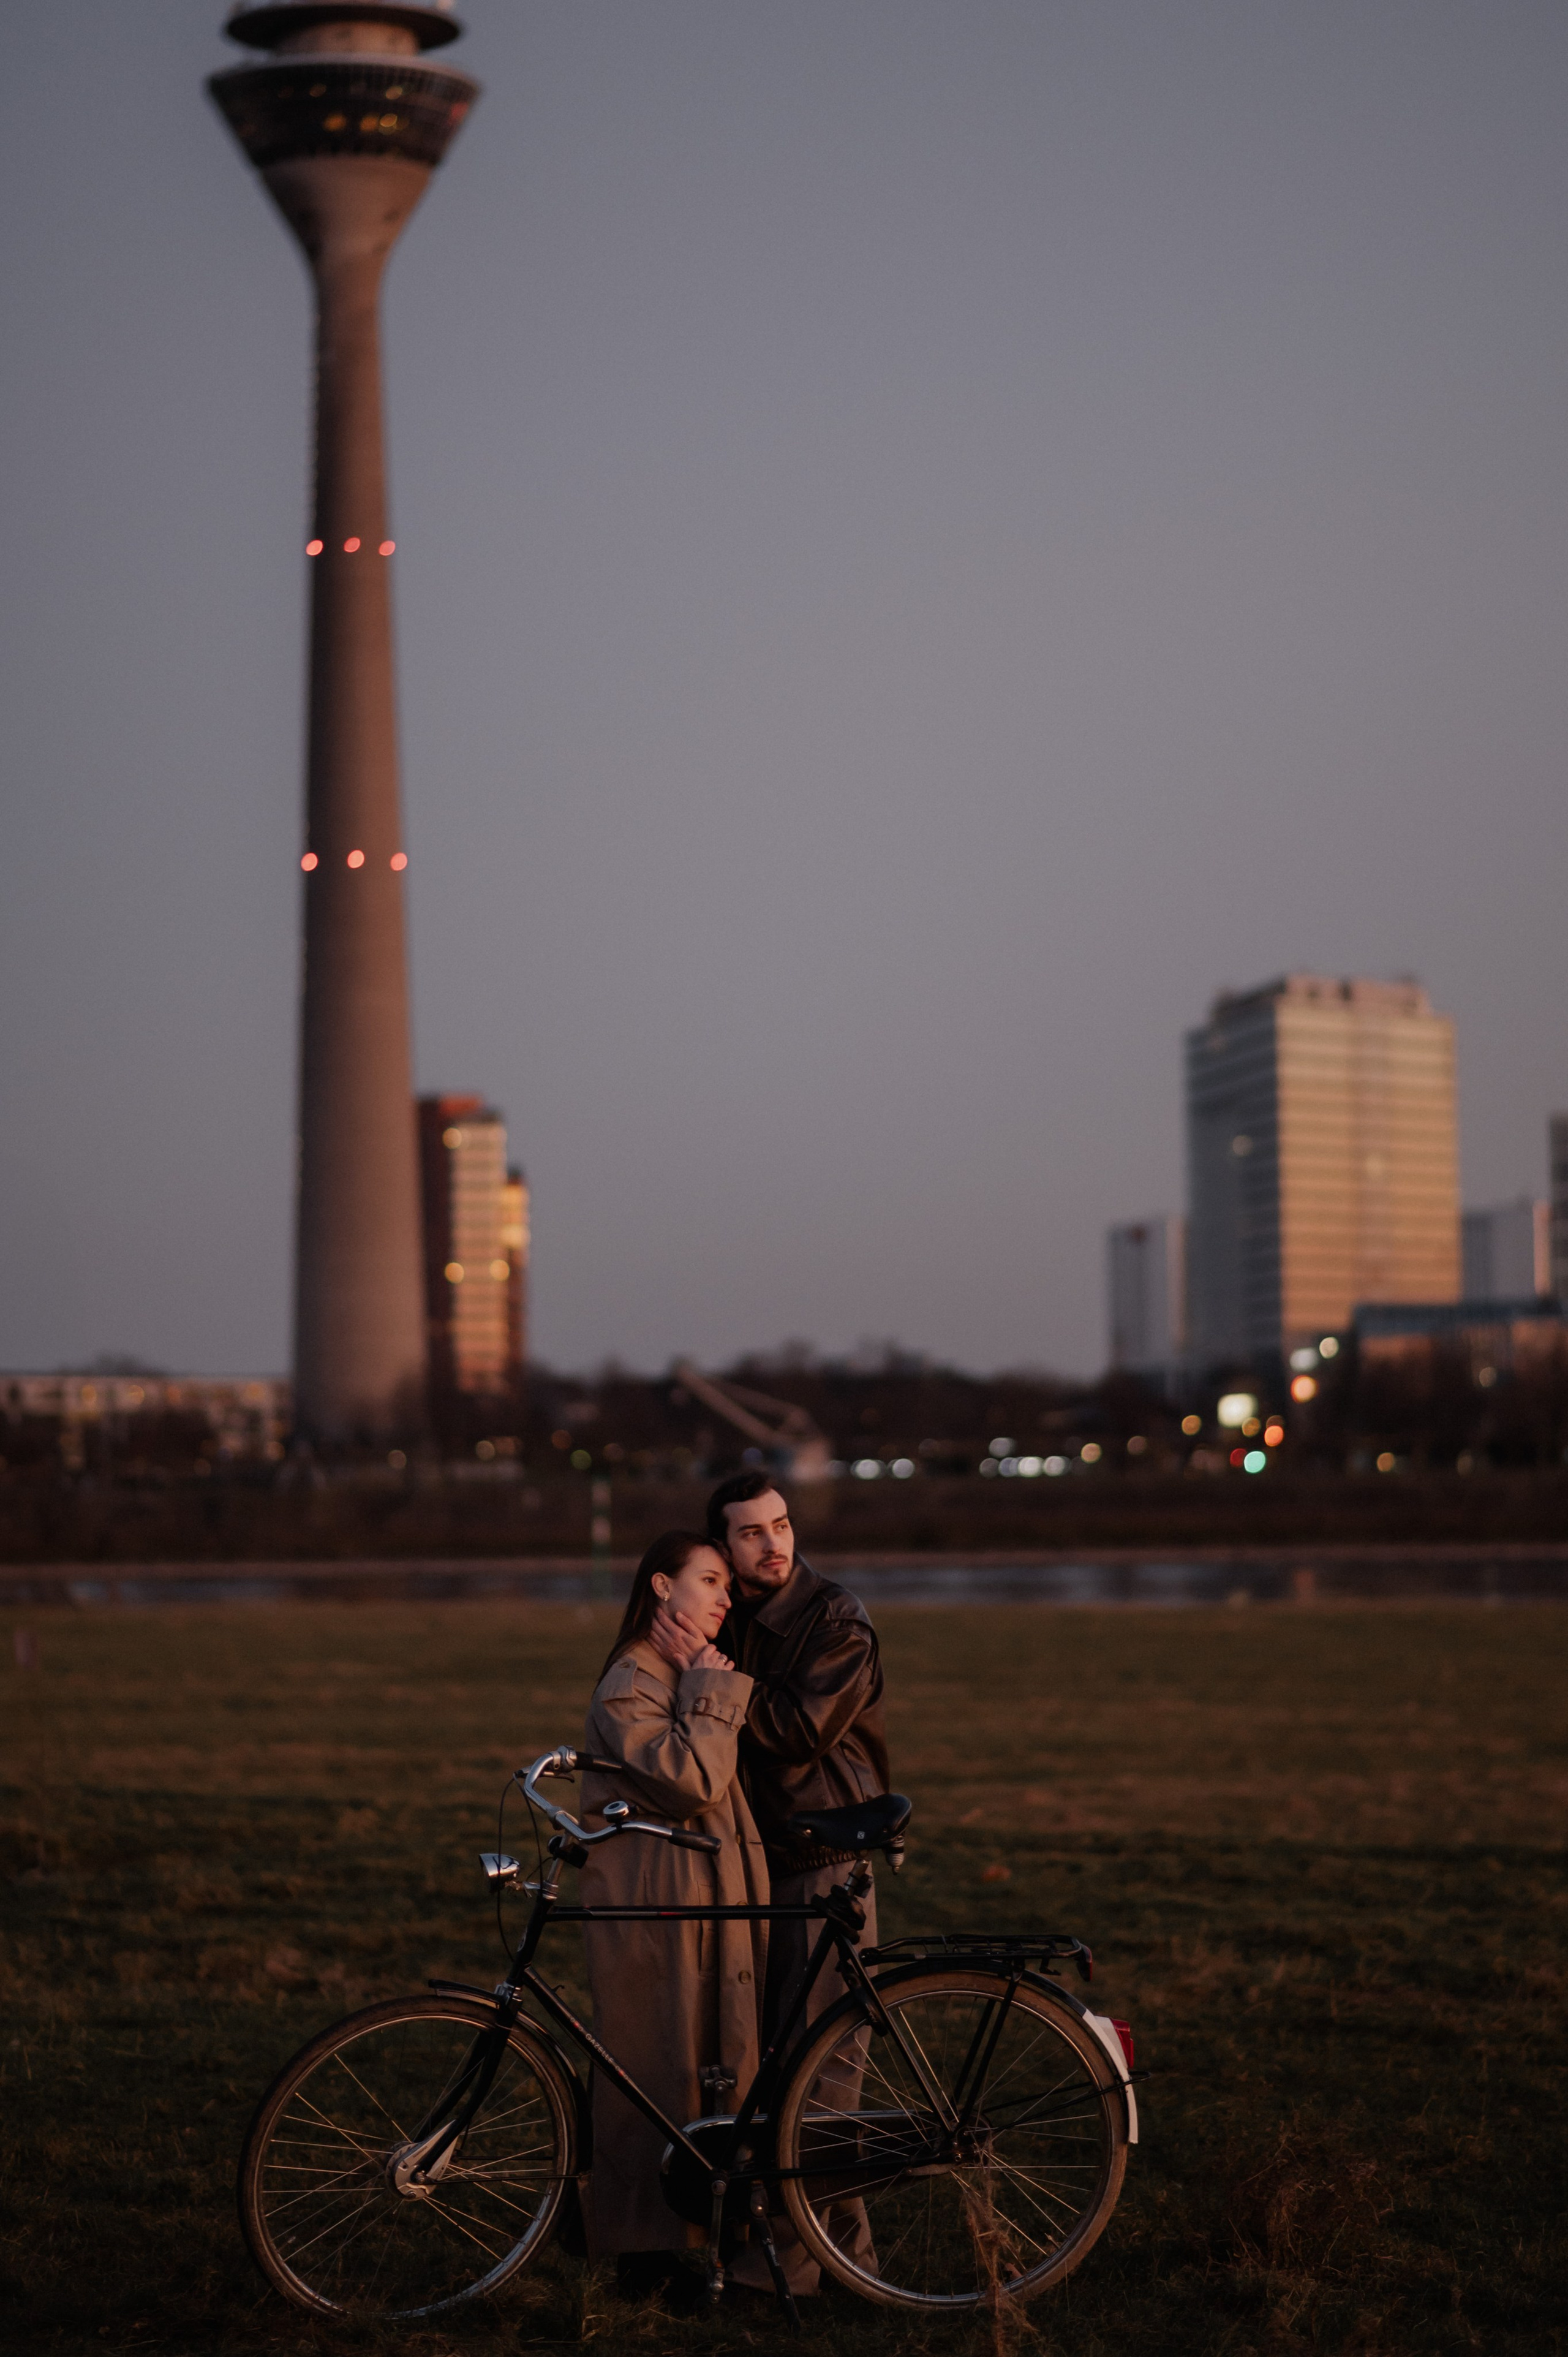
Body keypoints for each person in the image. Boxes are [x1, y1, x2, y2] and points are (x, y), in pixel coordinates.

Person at [648, 1470, 889, 2288]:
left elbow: (796, 1729)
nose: (774, 1542)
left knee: (821, 2074)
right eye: (750, 1532)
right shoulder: (732, 1613)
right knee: (770, 2069)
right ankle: (838, 2265)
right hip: (755, 1859)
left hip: (821, 1857)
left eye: (780, 1523)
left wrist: (711, 1676)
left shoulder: (836, 1616)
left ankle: (796, 2275)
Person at [578, 1530, 769, 2299]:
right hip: (658, 1913)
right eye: (711, 1579)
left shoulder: (672, 1672)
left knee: (704, 2071)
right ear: (662, 1587)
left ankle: (695, 2246)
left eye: (727, 1584)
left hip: (695, 1904)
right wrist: (709, 1689)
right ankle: (645, 2258)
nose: (725, 1598)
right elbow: (692, 1779)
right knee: (654, 2070)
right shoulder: (634, 1680)